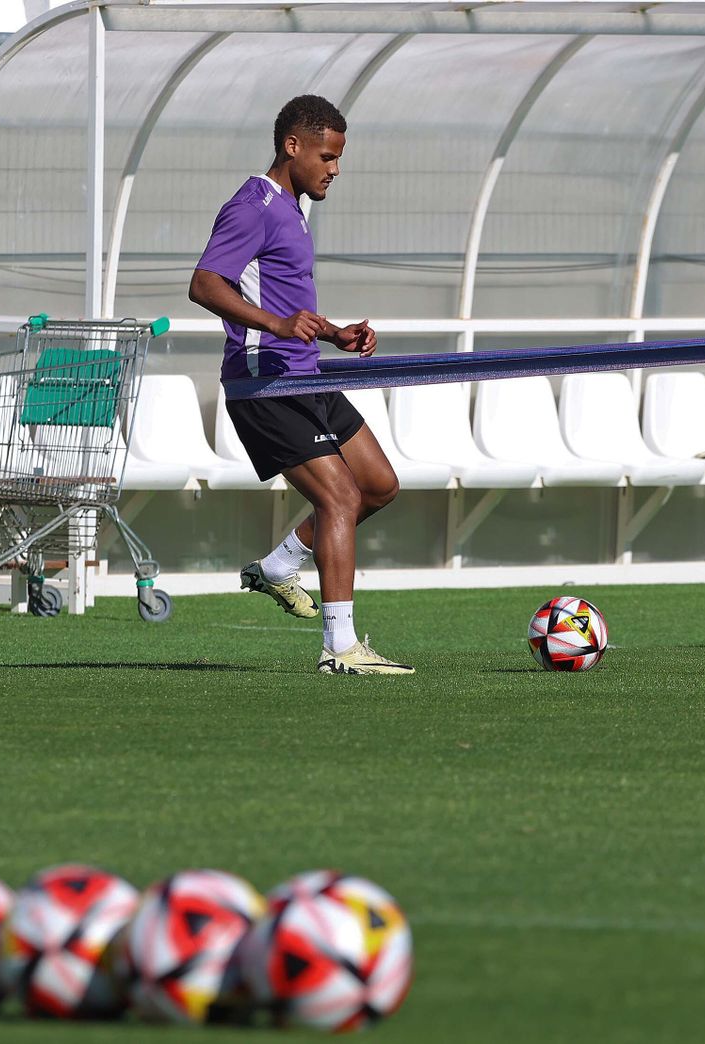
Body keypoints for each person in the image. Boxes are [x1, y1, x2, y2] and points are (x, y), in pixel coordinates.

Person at [188, 95, 413, 675]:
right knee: (337, 498)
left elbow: (285, 302)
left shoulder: (293, 208)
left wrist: (335, 333)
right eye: (327, 156)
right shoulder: (253, 205)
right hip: (264, 384)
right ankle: (340, 649)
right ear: (293, 147)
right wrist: (276, 325)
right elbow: (205, 284)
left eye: (338, 158)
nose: (334, 169)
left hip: (302, 375)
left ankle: (281, 565)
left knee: (378, 485)